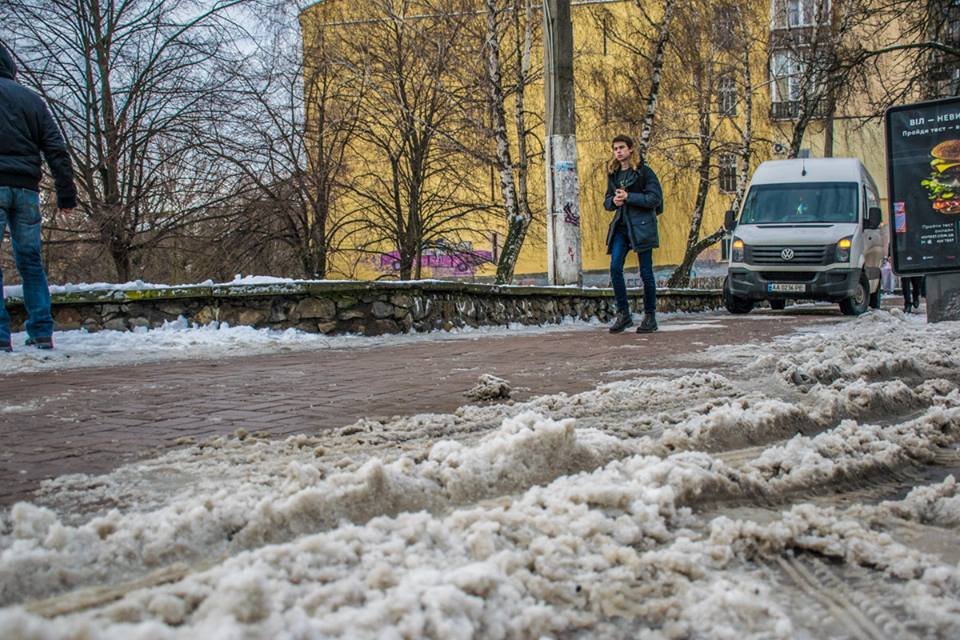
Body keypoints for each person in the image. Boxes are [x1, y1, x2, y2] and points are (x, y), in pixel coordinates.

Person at [0, 43, 76, 352]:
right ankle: (42, 331)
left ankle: (1, 337)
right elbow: (56, 148)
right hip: (27, 190)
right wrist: (66, 194)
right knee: (30, 260)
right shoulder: (31, 100)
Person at [603, 134, 664, 333]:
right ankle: (623, 314)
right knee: (615, 268)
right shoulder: (613, 174)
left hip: (641, 227)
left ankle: (649, 316)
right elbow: (607, 201)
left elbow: (654, 198)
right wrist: (614, 201)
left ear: (630, 149)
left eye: (622, 147)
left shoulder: (644, 172)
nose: (618, 151)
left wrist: (629, 197)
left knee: (646, 272)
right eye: (615, 148)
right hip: (621, 226)